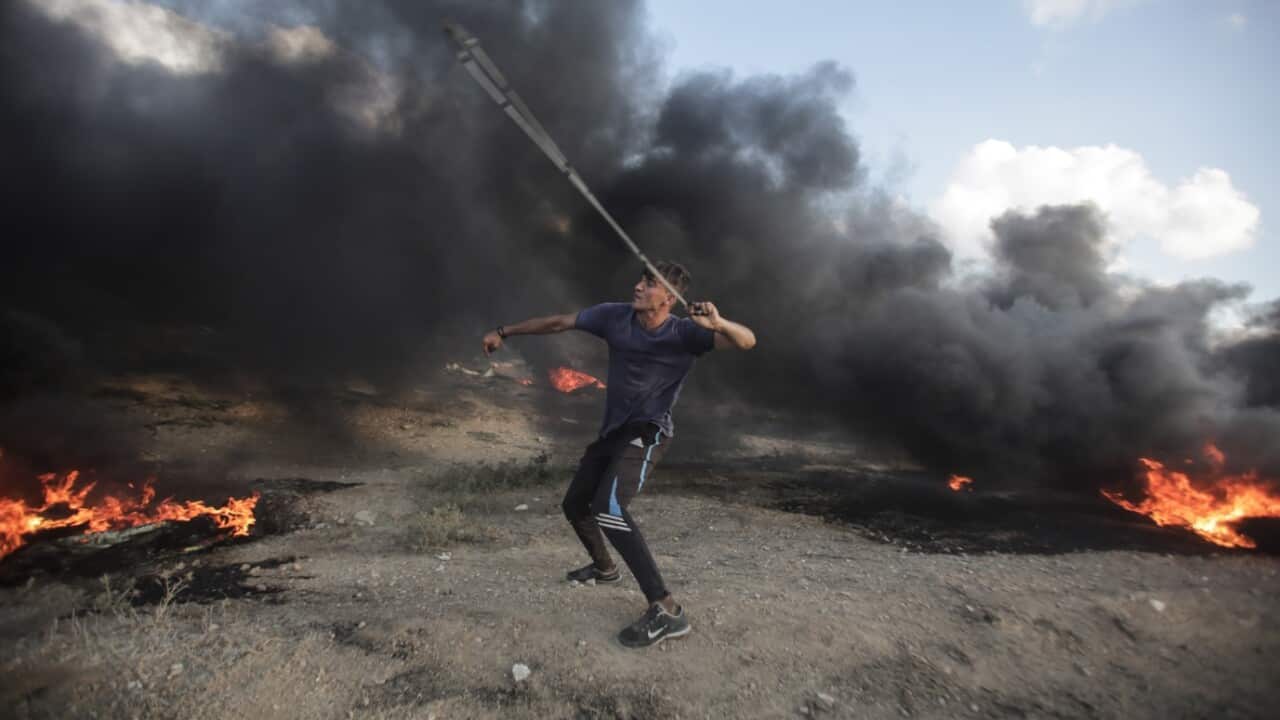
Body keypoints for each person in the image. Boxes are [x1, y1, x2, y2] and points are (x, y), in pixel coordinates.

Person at [482, 261, 756, 647]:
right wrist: (504, 331)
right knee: (576, 504)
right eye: (641, 279)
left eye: (649, 283)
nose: (638, 287)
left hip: (649, 431)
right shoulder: (614, 316)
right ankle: (605, 568)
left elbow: (747, 341)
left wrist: (720, 323)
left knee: (609, 509)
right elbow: (560, 322)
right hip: (614, 431)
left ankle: (667, 610)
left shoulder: (686, 333)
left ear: (669, 297)